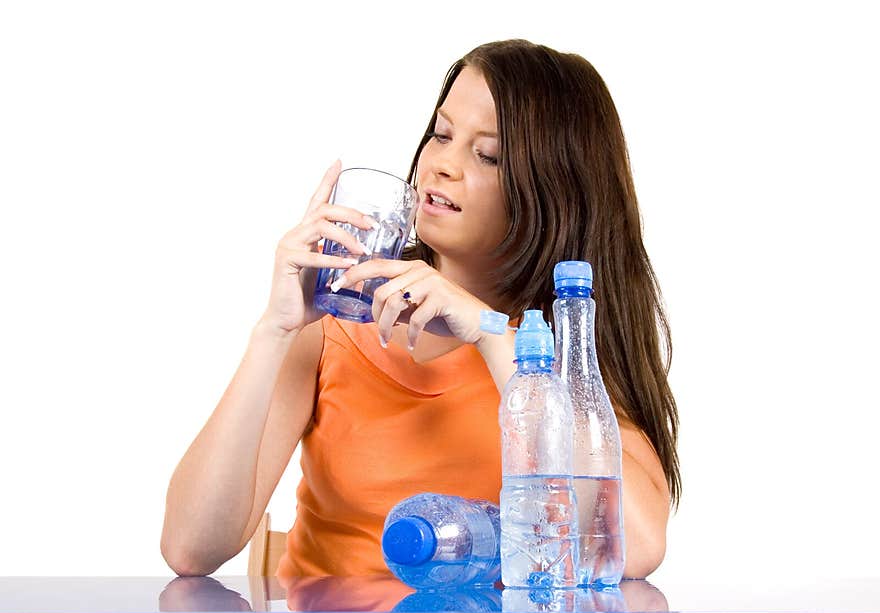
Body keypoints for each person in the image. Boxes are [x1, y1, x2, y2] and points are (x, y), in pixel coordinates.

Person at [160, 38, 681, 581]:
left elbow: (634, 549)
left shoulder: (565, 348)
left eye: (488, 154)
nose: (442, 166)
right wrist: (275, 328)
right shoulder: (336, 321)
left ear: (557, 191)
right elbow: (190, 549)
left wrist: (491, 335)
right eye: (442, 134)